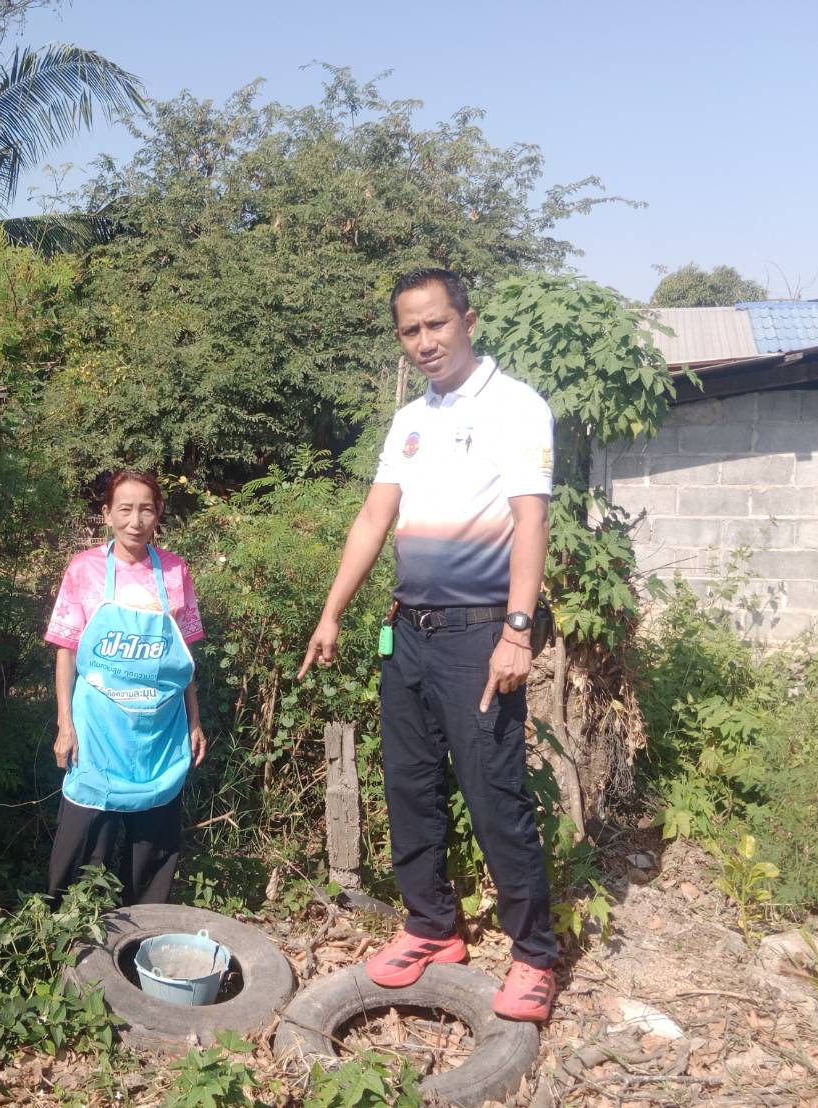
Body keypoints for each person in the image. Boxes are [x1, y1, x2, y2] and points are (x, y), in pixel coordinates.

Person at [298, 267, 560, 1022]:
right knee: (409, 787)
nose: (424, 341)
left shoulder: (516, 406)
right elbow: (373, 519)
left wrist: (517, 631)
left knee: (493, 793)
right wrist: (331, 612)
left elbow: (531, 521)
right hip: (407, 632)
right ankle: (431, 926)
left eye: (436, 324)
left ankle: (534, 954)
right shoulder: (409, 419)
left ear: (467, 321)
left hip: (480, 633)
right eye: (410, 331)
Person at [44, 469, 208, 905]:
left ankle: (143, 934)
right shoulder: (84, 569)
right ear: (107, 514)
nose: (135, 521)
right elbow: (66, 651)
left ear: (159, 513)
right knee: (81, 847)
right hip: (96, 732)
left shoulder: (174, 570)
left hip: (160, 734)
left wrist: (194, 721)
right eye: (125, 509)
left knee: (151, 853)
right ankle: (68, 934)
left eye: (146, 510)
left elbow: (184, 657)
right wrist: (65, 724)